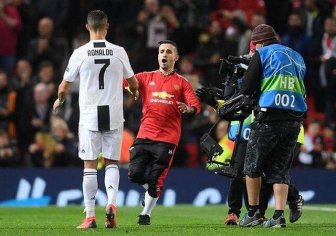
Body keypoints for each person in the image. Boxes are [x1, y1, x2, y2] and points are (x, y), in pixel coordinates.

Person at [52, 10, 138, 229]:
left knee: (89, 165)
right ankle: (111, 204)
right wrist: (134, 92)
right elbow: (133, 81)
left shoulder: (80, 53)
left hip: (90, 114)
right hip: (114, 113)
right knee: (111, 162)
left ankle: (90, 217)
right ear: (107, 27)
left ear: (87, 27)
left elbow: (64, 86)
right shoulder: (119, 51)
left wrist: (59, 100)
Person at [238, 24, 307, 228]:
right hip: (295, 119)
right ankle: (278, 216)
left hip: (269, 117)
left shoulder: (262, 54)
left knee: (252, 167)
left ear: (258, 43)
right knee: (280, 170)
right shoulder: (297, 56)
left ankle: (253, 213)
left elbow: (248, 88)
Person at [127, 40, 201, 225]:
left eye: (169, 52)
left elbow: (195, 105)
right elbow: (125, 81)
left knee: (156, 178)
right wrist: (129, 87)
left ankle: (146, 214)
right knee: (134, 174)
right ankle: (150, 191)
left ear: (176, 57)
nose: (164, 54)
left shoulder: (182, 83)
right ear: (158, 55)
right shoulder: (145, 77)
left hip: (167, 139)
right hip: (145, 134)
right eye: (161, 51)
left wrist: (189, 109)